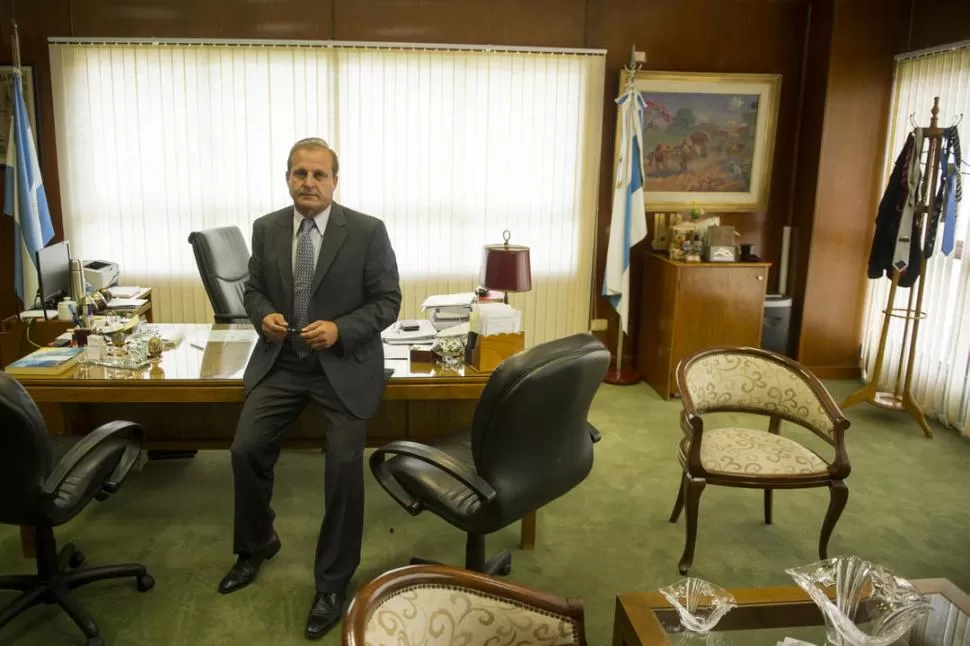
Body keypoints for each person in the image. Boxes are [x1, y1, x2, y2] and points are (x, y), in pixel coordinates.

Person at [218, 137, 401, 640]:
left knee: (343, 467)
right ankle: (256, 544)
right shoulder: (267, 228)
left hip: (343, 364)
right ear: (288, 179)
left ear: (335, 182)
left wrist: (342, 329)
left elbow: (388, 302)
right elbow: (252, 290)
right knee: (244, 449)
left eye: (319, 175)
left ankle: (332, 582)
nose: (309, 183)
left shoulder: (367, 231)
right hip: (284, 363)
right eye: (300, 173)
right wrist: (263, 317)